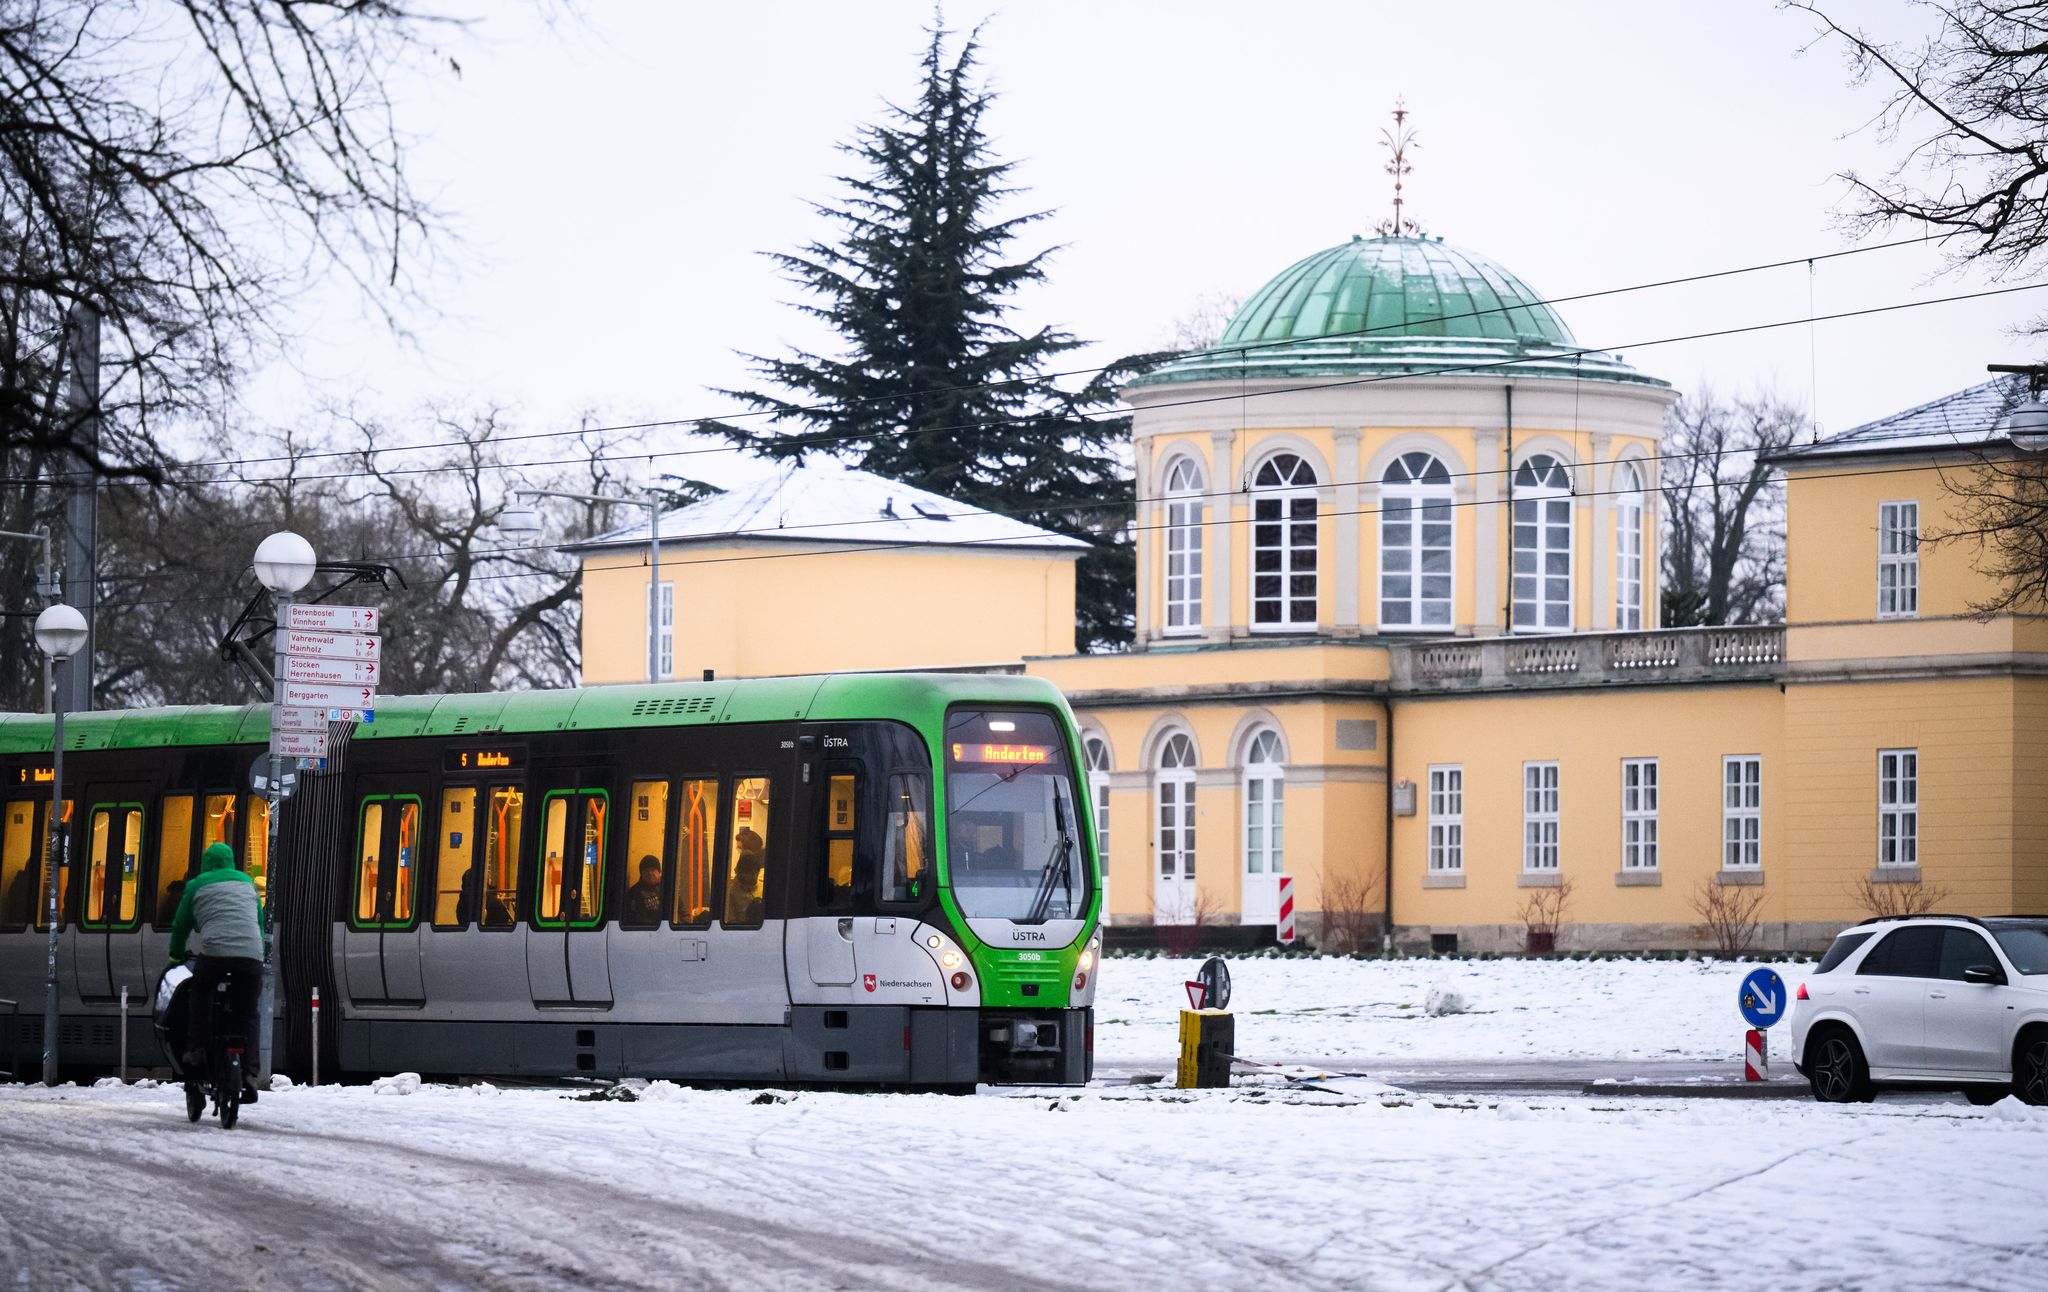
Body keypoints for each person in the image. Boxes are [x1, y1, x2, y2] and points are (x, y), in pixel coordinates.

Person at [167, 841, 268, 1097]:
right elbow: (258, 922)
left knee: (200, 994)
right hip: (251, 957)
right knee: (248, 1012)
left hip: (215, 957)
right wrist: (257, 952)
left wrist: (176, 954)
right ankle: (250, 1072)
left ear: (206, 863)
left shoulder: (197, 884)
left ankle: (197, 1050)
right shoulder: (247, 883)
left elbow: (181, 925)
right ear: (231, 862)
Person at [623, 855, 663, 926]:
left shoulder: (668, 889)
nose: (650, 873)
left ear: (659, 872)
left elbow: (681, 912)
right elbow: (634, 918)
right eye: (646, 870)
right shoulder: (633, 893)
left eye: (653, 869)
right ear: (641, 873)